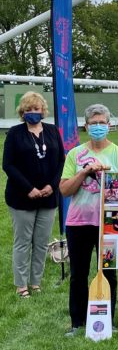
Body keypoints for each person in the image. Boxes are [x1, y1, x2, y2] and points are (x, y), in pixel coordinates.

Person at [60, 104, 118, 337]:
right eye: (94, 123)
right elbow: (64, 190)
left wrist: (109, 176)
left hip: (109, 223)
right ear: (86, 126)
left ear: (109, 125)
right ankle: (77, 322)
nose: (98, 127)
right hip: (79, 222)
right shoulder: (74, 154)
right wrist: (83, 172)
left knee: (109, 273)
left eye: (102, 123)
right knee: (78, 274)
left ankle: (108, 320)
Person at [2, 91, 65, 298]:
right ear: (22, 112)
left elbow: (61, 162)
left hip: (49, 196)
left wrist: (52, 185)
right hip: (21, 197)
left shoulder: (53, 131)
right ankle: (21, 285)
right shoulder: (14, 133)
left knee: (41, 241)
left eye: (36, 109)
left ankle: (36, 282)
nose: (32, 113)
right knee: (23, 241)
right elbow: (8, 165)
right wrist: (29, 188)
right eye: (28, 110)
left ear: (42, 110)